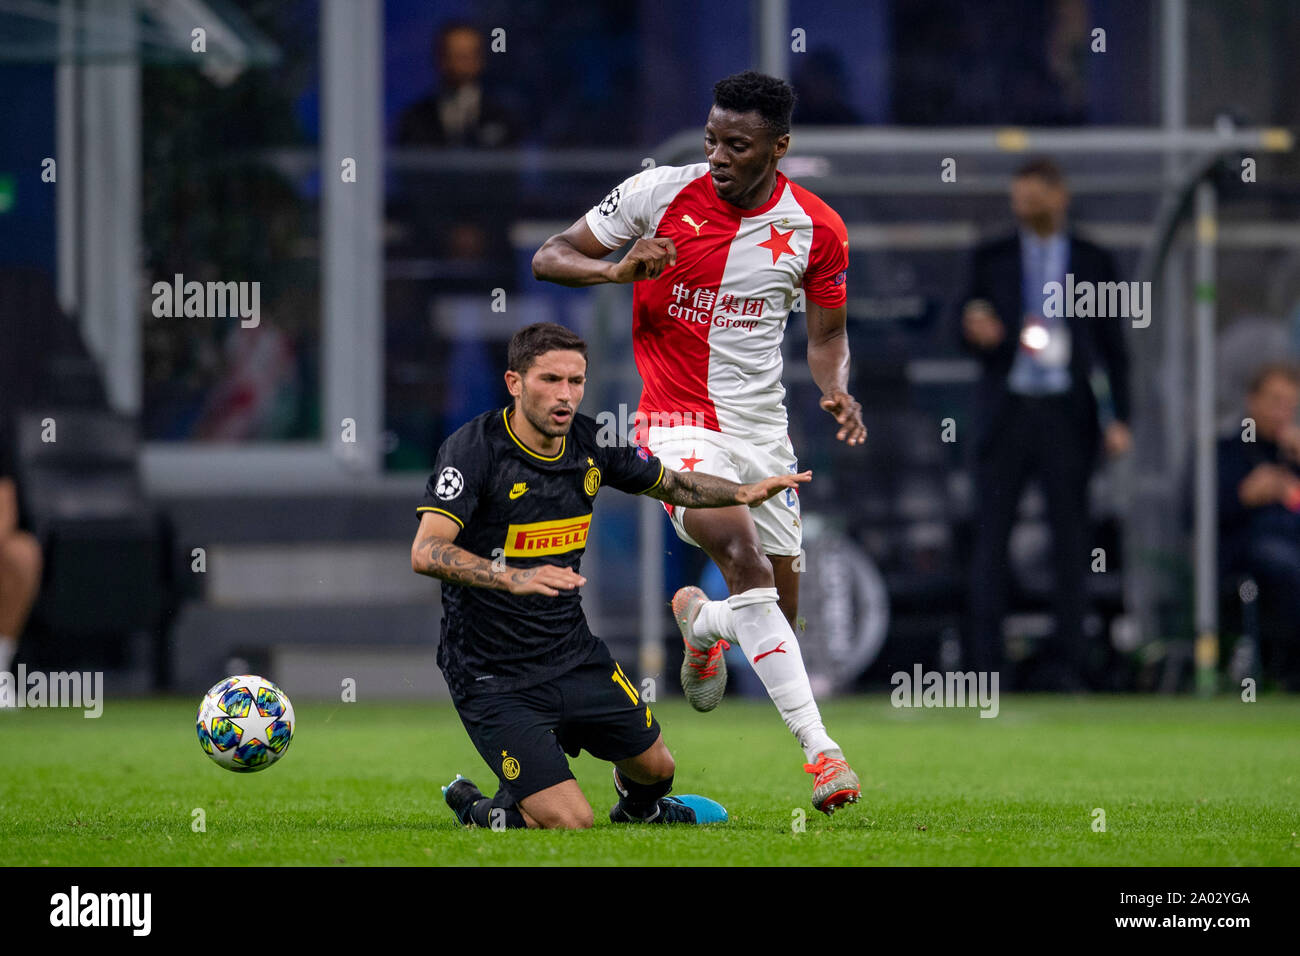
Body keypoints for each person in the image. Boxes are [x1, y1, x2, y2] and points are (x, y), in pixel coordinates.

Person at [531, 70, 866, 815]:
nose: (717, 155)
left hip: (762, 432)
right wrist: (614, 268)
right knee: (741, 558)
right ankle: (824, 756)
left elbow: (830, 334)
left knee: (774, 606)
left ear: (778, 148)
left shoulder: (819, 229)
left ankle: (703, 622)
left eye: (737, 145)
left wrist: (835, 385)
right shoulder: (658, 194)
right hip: (676, 423)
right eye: (712, 138)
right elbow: (549, 254)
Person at [412, 322, 810, 829]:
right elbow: (426, 551)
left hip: (571, 653)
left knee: (657, 768)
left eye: (576, 381)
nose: (566, 395)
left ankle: (640, 811)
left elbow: (675, 483)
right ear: (514, 382)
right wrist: (512, 577)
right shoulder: (474, 450)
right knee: (569, 821)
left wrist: (740, 493)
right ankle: (477, 807)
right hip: (492, 673)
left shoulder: (592, 438)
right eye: (550, 380)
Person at [958, 157, 1132, 691]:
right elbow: (962, 321)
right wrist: (974, 326)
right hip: (1007, 411)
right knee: (991, 537)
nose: (1024, 206)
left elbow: (1114, 349)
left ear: (1060, 195)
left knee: (1071, 538)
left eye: (1034, 196)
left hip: (1065, 411)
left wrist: (1119, 417)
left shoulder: (1092, 257)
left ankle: (1070, 664)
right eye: (1018, 197)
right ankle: (985, 665)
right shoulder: (991, 255)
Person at [1218, 361, 1300, 689]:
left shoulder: (1293, 453)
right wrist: (1246, 495)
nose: (1282, 413)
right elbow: (1200, 514)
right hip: (1247, 560)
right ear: (1253, 401)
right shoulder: (1227, 452)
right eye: (1274, 402)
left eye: (1290, 405)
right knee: (1284, 565)